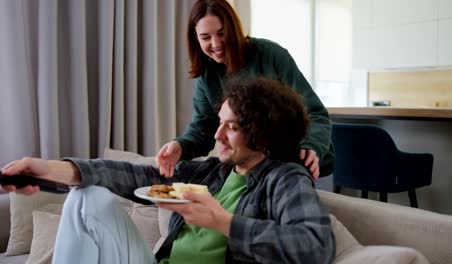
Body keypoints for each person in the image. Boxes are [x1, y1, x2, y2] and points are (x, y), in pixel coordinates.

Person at [1, 77, 336, 264]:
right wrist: (43, 168)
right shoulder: (213, 172)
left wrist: (221, 221)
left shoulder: (285, 179)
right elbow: (134, 176)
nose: (216, 136)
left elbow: (314, 246)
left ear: (263, 135)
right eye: (219, 124)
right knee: (87, 196)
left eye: (230, 128)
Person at [156, 0, 334, 180]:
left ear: (233, 28)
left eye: (221, 33)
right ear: (196, 38)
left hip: (302, 165)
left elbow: (315, 114)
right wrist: (181, 146)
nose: (216, 44)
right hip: (254, 171)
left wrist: (312, 145)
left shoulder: (271, 55)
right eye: (205, 37)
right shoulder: (208, 75)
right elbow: (203, 128)